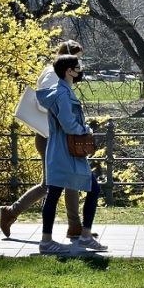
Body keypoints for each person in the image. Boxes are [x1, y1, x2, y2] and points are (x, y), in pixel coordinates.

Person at [0, 40, 95, 239]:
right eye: (77, 59)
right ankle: (12, 212)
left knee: (65, 182)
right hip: (52, 138)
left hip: (58, 137)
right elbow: (48, 104)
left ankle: (73, 225)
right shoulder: (52, 75)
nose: (79, 64)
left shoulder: (55, 74)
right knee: (52, 184)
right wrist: (70, 120)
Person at [36, 54, 107, 254]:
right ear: (69, 71)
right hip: (66, 152)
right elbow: (69, 124)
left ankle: (50, 240)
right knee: (92, 189)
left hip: (60, 151)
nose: (80, 70)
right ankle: (78, 236)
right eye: (78, 66)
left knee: (55, 194)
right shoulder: (63, 94)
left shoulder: (59, 91)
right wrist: (85, 130)